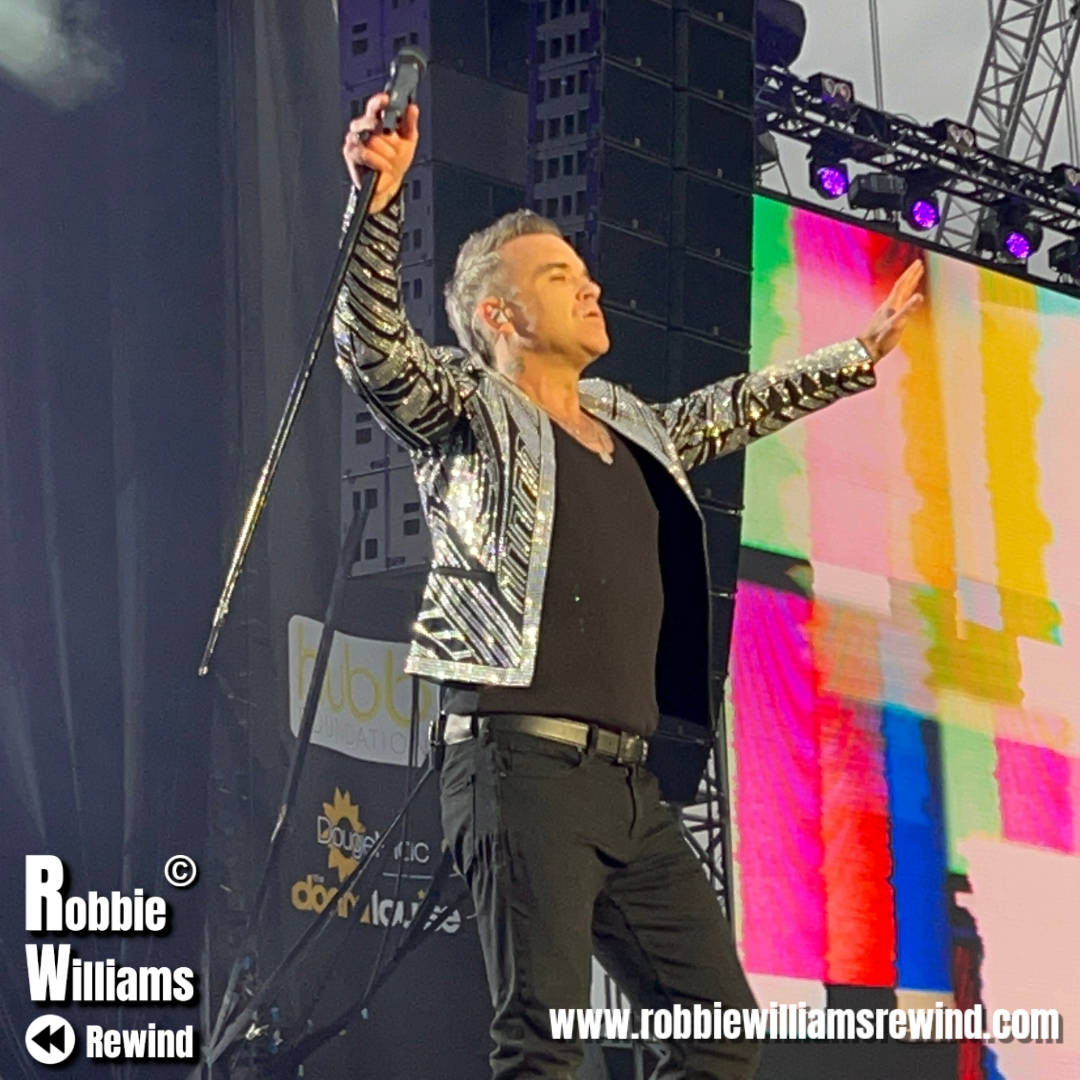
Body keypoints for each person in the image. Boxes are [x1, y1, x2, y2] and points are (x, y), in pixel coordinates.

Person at [333, 93, 923, 1080]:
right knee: (544, 1045)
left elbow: (732, 408)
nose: (590, 287)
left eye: (584, 272)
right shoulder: (469, 409)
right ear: (500, 316)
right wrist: (377, 202)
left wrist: (855, 357)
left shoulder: (627, 420)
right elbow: (375, 350)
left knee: (719, 1032)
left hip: (629, 788)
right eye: (559, 277)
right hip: (522, 769)